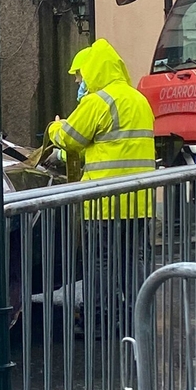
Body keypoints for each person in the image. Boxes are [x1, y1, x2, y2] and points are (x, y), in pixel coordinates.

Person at [46, 39, 155, 337]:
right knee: (135, 261)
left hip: (103, 202)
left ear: (94, 71)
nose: (80, 83)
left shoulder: (98, 102)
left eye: (81, 76)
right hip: (140, 202)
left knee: (101, 262)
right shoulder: (138, 100)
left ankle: (99, 319)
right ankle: (139, 317)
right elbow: (112, 145)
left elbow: (69, 137)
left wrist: (54, 127)